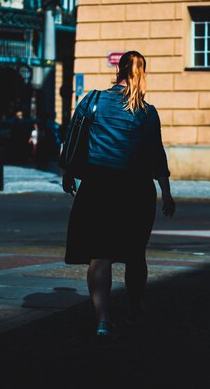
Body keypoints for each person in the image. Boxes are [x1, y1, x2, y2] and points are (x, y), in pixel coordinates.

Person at [62, 50, 176, 341]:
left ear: (118, 71)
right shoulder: (147, 112)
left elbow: (74, 138)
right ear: (143, 73)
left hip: (98, 186)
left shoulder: (94, 100)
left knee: (99, 256)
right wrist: (166, 192)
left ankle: (102, 320)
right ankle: (135, 307)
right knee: (135, 255)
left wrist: (68, 171)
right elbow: (156, 155)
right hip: (136, 189)